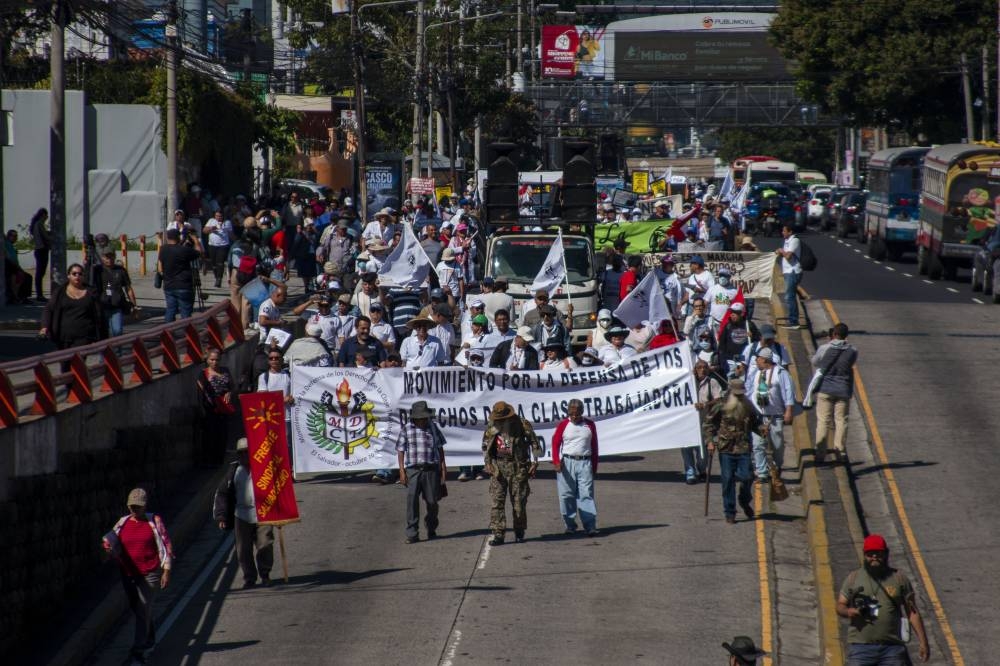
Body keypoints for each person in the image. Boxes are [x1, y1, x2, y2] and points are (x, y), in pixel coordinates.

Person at [836, 534, 930, 665]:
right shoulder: (853, 578)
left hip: (892, 648)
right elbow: (840, 605)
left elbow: (912, 612)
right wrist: (849, 611)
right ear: (864, 554)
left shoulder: (899, 579)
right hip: (861, 648)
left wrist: (923, 642)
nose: (874, 557)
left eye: (878, 554)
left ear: (886, 554)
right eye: (870, 554)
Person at [703, 378, 769, 524]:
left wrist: (762, 429)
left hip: (743, 447)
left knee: (747, 476)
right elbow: (708, 424)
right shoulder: (720, 406)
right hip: (726, 449)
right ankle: (730, 512)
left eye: (741, 394)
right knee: (727, 480)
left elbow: (755, 423)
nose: (739, 397)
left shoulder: (748, 406)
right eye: (737, 394)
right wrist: (710, 441)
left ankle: (744, 500)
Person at [213, 438, 275, 589]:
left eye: (247, 452)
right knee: (243, 550)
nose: (244, 455)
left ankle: (265, 574)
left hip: (263, 513)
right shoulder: (233, 471)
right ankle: (249, 578)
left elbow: (278, 488)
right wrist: (221, 516)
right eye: (241, 453)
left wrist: (281, 514)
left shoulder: (264, 467)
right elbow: (222, 493)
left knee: (265, 544)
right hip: (241, 515)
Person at [482, 401, 542, 545]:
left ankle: (519, 530)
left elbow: (535, 443)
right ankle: (498, 533)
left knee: (519, 502)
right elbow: (485, 444)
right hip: (499, 467)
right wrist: (488, 463)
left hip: (517, 467)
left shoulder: (521, 424)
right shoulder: (492, 425)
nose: (500, 421)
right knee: (497, 502)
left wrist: (535, 462)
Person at [397, 401, 448, 543]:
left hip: (431, 469)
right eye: (420, 417)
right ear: (414, 418)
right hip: (413, 469)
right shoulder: (406, 429)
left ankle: (431, 526)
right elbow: (400, 450)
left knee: (432, 501)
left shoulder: (433, 427)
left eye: (424, 417)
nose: (423, 420)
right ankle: (412, 533)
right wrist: (401, 471)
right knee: (412, 500)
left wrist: (443, 467)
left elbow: (439, 447)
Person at [745, 347, 794, 484]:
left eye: (758, 358)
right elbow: (750, 391)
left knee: (777, 445)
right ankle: (762, 473)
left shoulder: (781, 373)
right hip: (759, 416)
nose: (756, 361)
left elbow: (788, 392)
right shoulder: (756, 373)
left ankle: (777, 467)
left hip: (775, 416)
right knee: (758, 445)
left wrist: (789, 411)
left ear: (765, 360)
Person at [551, 399, 599, 535]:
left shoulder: (590, 425)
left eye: (576, 414)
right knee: (566, 495)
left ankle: (590, 526)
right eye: (571, 413)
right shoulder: (563, 425)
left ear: (582, 412)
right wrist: (556, 462)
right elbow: (555, 444)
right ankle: (570, 525)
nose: (573, 416)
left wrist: (594, 467)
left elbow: (594, 446)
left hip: (585, 463)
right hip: (567, 463)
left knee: (586, 495)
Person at [812, 322, 859, 463]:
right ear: (846, 335)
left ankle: (820, 452)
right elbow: (850, 364)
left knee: (823, 421)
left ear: (833, 334)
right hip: (843, 389)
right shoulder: (853, 350)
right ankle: (840, 451)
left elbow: (815, 362)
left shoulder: (824, 348)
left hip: (825, 388)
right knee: (841, 421)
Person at [40, 262, 106, 351]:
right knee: (65, 364)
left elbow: (99, 314)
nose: (77, 276)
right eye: (74, 274)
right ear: (69, 276)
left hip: (84, 337)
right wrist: (44, 328)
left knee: (78, 363)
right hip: (63, 337)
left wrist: (100, 336)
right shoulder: (60, 292)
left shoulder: (91, 293)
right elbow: (49, 309)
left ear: (83, 276)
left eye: (80, 274)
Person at [195, 347, 235, 466]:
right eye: (212, 360)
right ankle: (209, 461)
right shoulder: (203, 374)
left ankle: (219, 460)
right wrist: (201, 408)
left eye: (217, 360)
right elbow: (200, 392)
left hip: (224, 407)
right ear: (207, 360)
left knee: (222, 434)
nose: (214, 362)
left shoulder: (225, 371)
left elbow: (232, 386)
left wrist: (230, 392)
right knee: (210, 435)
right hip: (210, 408)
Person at [158, 228, 203, 322]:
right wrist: (195, 239)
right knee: (185, 311)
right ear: (178, 237)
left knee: (170, 310)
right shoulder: (184, 250)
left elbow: (160, 267)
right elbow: (199, 252)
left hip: (169, 285)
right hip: (183, 285)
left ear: (168, 237)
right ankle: (186, 332)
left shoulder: (163, 249)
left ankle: (168, 332)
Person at [92, 249, 138, 339]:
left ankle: (117, 352)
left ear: (115, 257)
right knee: (104, 334)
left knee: (117, 332)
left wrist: (134, 305)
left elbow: (128, 288)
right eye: (106, 257)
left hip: (117, 307)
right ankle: (105, 353)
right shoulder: (97, 270)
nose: (109, 259)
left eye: (111, 256)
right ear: (102, 258)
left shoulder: (121, 270)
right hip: (102, 307)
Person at [775, 223, 803, 329]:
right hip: (788, 271)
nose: (782, 233)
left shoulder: (794, 240)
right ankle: (793, 319)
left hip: (793, 271)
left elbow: (788, 256)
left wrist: (781, 251)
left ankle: (794, 322)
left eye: (784, 231)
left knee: (789, 296)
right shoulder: (787, 241)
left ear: (790, 232)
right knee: (789, 296)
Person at [203, 209, 233, 288]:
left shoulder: (227, 222)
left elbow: (231, 234)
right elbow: (204, 231)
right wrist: (212, 228)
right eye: (217, 216)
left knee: (220, 263)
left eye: (220, 216)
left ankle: (219, 280)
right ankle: (216, 277)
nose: (218, 218)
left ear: (223, 216)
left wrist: (225, 229)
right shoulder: (211, 221)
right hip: (212, 245)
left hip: (223, 245)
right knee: (214, 264)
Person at [29, 207, 51, 301]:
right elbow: (45, 237)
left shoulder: (36, 224)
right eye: (46, 215)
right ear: (43, 215)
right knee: (40, 273)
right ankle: (40, 295)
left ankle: (39, 294)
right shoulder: (39, 224)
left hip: (39, 250)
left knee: (40, 273)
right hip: (42, 250)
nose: (47, 217)